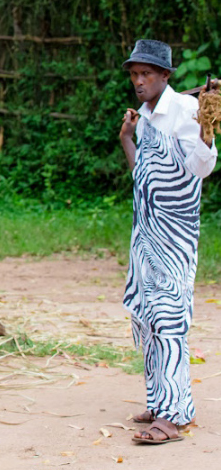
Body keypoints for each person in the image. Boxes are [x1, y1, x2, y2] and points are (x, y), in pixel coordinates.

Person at [119, 39, 218, 444]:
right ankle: (160, 401)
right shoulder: (145, 118)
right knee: (147, 319)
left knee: (169, 319)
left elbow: (201, 168)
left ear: (165, 75)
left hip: (174, 237)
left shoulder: (186, 110)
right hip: (145, 235)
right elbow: (143, 177)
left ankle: (174, 417)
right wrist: (127, 138)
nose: (138, 81)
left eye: (146, 74)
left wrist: (207, 132)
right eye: (134, 74)